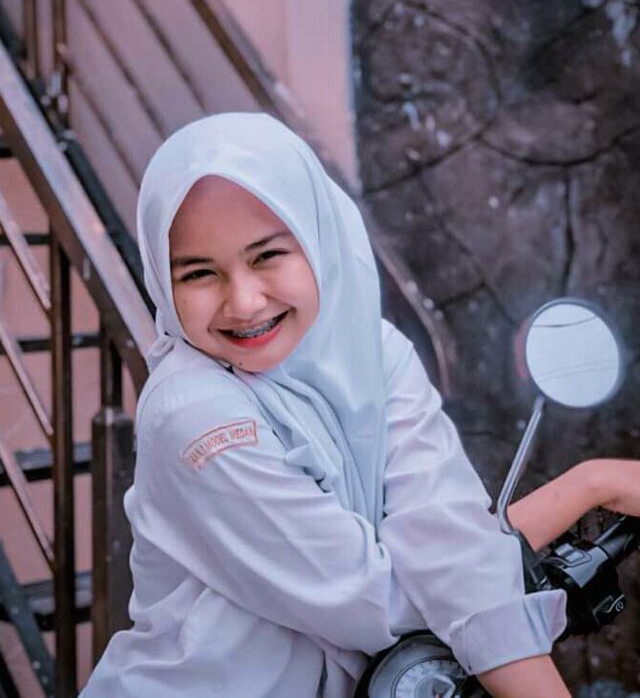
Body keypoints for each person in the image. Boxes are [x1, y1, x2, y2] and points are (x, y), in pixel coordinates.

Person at [81, 113, 639, 697]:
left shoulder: (374, 351)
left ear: (318, 235)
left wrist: (589, 483)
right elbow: (375, 598)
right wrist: (582, 490)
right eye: (199, 273)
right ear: (163, 281)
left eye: (267, 256)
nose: (243, 302)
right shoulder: (192, 414)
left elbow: (447, 543)